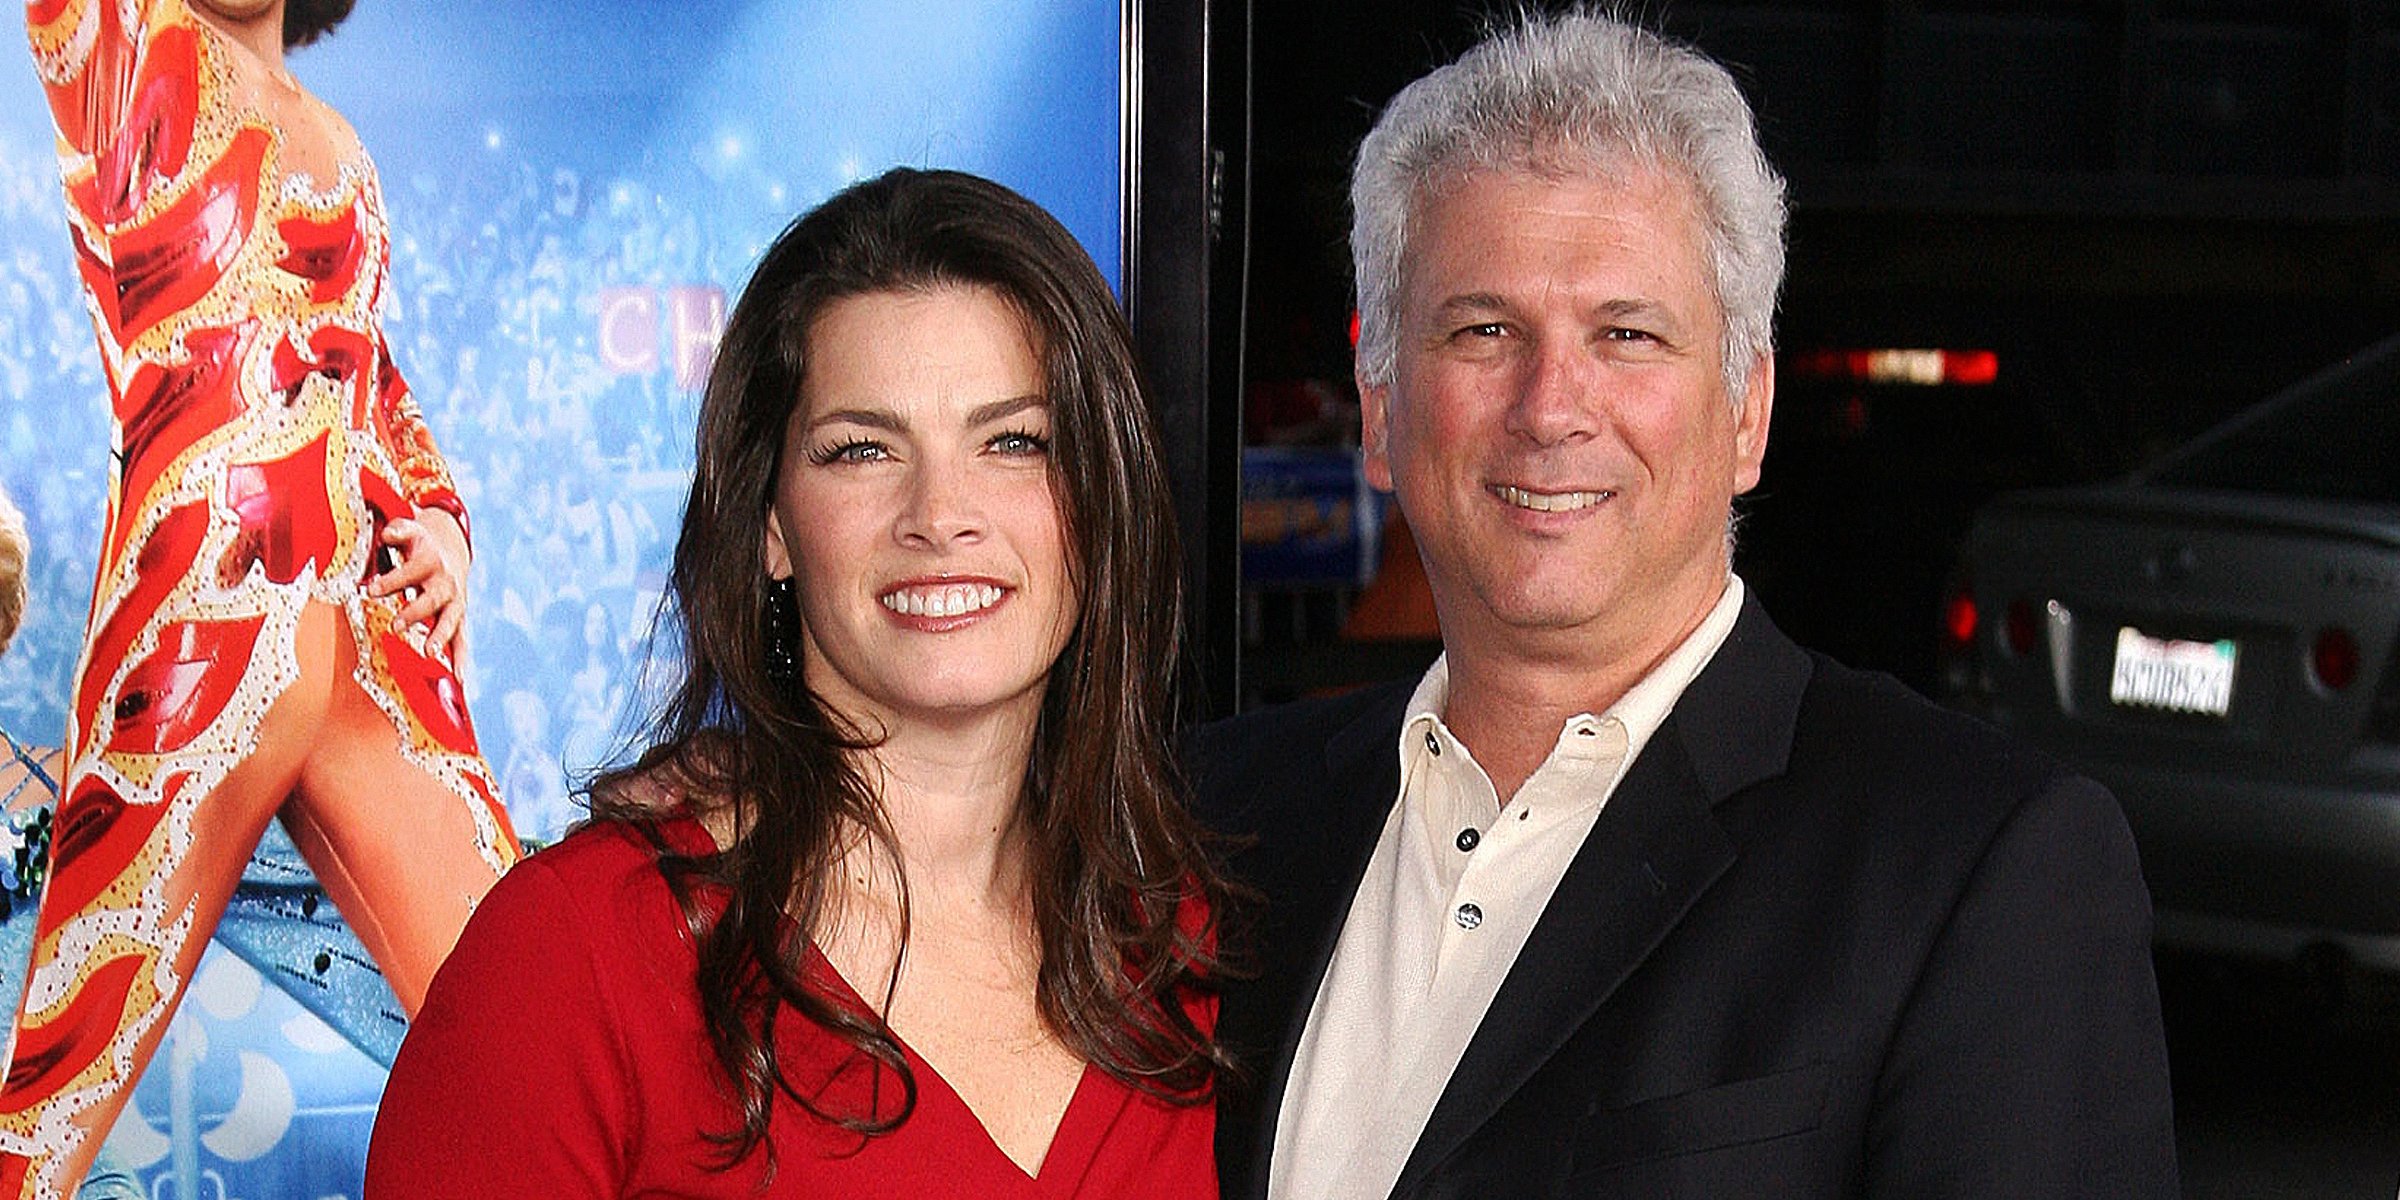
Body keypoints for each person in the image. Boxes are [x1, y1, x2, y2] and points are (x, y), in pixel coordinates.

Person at [1193, 13, 2178, 1198]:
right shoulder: (1213, 821)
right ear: (1380, 411)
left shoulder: (1978, 868)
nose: (1551, 406)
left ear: (1748, 413)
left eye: (1628, 334)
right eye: (1485, 329)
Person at [366, 167, 1233, 1196]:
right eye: (861, 450)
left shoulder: (1177, 938)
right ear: (773, 528)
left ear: (1099, 499)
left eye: (1015, 442)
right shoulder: (577, 955)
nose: (940, 513)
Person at [5, 2, 521, 1194]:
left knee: (542, 1023)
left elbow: (371, 366)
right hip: (199, 623)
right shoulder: (117, 49)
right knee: (57, 1089)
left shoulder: (343, 134)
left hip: (383, 630)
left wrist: (448, 523)